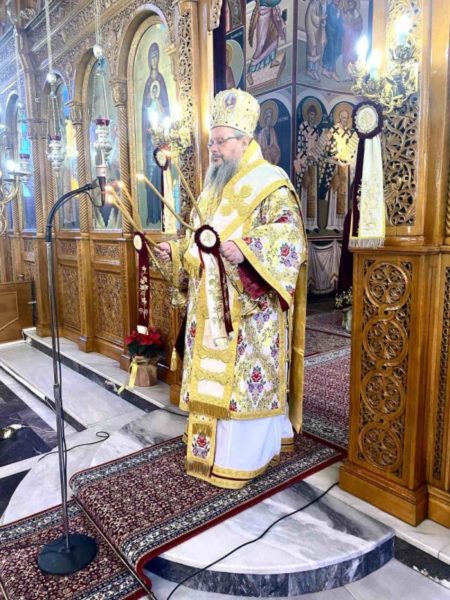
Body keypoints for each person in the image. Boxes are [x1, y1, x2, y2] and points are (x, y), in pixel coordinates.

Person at [156, 89, 307, 489]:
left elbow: (290, 238)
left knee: (240, 382)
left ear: (244, 140)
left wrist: (247, 248)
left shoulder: (270, 181)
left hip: (248, 311)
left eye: (221, 142)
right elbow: (198, 239)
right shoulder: (211, 189)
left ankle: (243, 457)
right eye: (212, 142)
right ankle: (209, 449)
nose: (214, 150)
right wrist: (176, 251)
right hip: (207, 308)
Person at [142, 42, 170, 226]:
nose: (154, 60)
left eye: (156, 56)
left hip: (162, 144)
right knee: (151, 176)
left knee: (162, 176)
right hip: (149, 143)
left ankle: (163, 214)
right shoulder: (147, 85)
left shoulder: (161, 80)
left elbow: (167, 108)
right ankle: (152, 214)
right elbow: (144, 115)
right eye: (151, 57)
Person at [294, 102, 322, 232]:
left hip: (313, 163)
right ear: (307, 115)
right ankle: (304, 223)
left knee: (313, 193)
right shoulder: (302, 127)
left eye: (314, 115)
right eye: (310, 114)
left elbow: (318, 147)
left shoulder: (316, 129)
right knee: (304, 191)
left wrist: (315, 157)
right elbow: (299, 145)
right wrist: (305, 157)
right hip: (304, 162)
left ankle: (313, 224)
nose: (312, 117)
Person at [247, 0, 286, 86]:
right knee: (260, 46)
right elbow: (271, 2)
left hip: (272, 12)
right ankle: (249, 72)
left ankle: (272, 60)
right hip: (263, 15)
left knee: (273, 37)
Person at [322, 0, 344, 81]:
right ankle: (330, 71)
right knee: (332, 51)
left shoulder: (335, 8)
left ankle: (328, 70)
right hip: (331, 33)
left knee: (334, 51)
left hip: (335, 34)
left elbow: (339, 22)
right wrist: (338, 14)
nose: (338, 1)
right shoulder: (331, 7)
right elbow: (333, 21)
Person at [305, 0, 326, 82]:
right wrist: (321, 18)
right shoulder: (313, 4)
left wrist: (322, 20)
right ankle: (311, 71)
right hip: (311, 30)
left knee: (317, 48)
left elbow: (318, 20)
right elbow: (314, 19)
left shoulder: (318, 4)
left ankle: (314, 71)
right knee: (312, 48)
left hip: (316, 30)